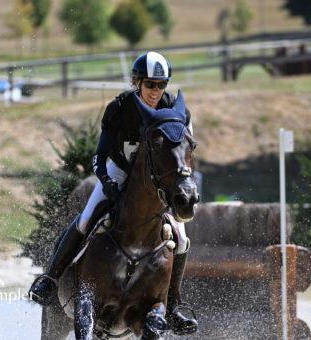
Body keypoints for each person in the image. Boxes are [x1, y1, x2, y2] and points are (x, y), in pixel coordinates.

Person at [29, 51, 198, 335]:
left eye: (161, 85)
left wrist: (180, 183)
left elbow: (186, 152)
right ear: (138, 82)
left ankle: (174, 304)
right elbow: (99, 156)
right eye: (150, 84)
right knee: (86, 220)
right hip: (118, 172)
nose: (156, 91)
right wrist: (107, 182)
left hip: (156, 183)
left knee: (181, 238)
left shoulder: (175, 110)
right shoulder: (120, 108)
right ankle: (50, 278)